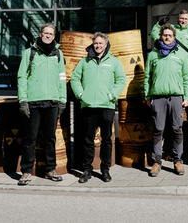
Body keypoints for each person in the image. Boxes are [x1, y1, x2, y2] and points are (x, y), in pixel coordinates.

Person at [70, 32, 126, 183]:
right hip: (88, 106)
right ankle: (87, 169)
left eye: (101, 43)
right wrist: (81, 94)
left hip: (106, 106)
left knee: (106, 140)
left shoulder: (114, 62)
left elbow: (121, 80)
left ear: (106, 45)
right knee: (87, 139)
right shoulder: (84, 61)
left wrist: (111, 95)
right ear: (92, 44)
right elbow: (75, 78)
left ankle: (105, 169)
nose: (98, 45)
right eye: (96, 43)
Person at [16, 23, 66, 185]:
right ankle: (26, 171)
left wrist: (62, 100)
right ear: (40, 34)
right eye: (45, 33)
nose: (48, 36)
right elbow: (22, 77)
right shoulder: (29, 53)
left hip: (52, 102)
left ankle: (50, 169)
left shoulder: (58, 54)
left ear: (54, 36)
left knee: (50, 138)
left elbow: (62, 79)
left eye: (51, 34)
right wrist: (23, 100)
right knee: (30, 138)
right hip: (33, 102)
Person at [143, 24, 188, 177]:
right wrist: (147, 96)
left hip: (176, 98)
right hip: (158, 98)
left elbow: (187, 77)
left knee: (177, 129)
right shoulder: (153, 55)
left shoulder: (182, 55)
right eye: (164, 35)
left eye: (169, 35)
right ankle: (157, 161)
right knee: (158, 130)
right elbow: (147, 78)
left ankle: (178, 161)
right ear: (161, 37)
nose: (166, 37)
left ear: (174, 37)